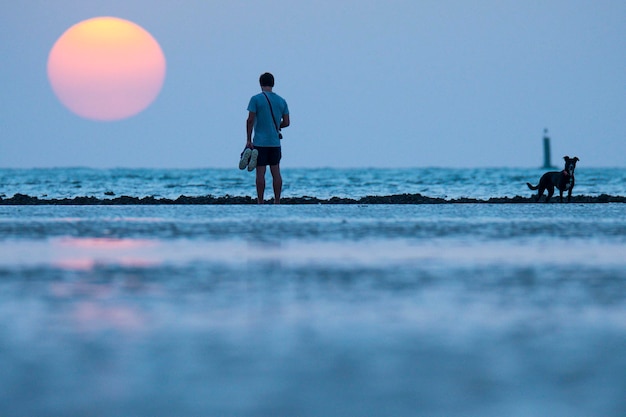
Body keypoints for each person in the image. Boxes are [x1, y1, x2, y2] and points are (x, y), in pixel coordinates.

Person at [245, 72, 290, 204]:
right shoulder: (282, 101)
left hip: (260, 142)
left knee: (260, 173)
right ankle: (277, 201)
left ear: (260, 84)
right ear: (273, 84)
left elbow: (250, 120)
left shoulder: (255, 99)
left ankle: (260, 201)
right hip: (275, 142)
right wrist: (276, 126)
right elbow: (287, 122)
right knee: (276, 172)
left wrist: (248, 139)